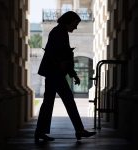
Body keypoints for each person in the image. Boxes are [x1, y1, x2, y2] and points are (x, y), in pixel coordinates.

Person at [35, 11, 96, 143]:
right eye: (75, 24)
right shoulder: (59, 32)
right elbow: (56, 55)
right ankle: (79, 130)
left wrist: (72, 73)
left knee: (49, 103)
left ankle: (40, 132)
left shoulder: (60, 32)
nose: (76, 27)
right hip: (55, 73)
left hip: (53, 73)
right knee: (67, 101)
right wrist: (65, 67)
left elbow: (62, 56)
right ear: (69, 21)